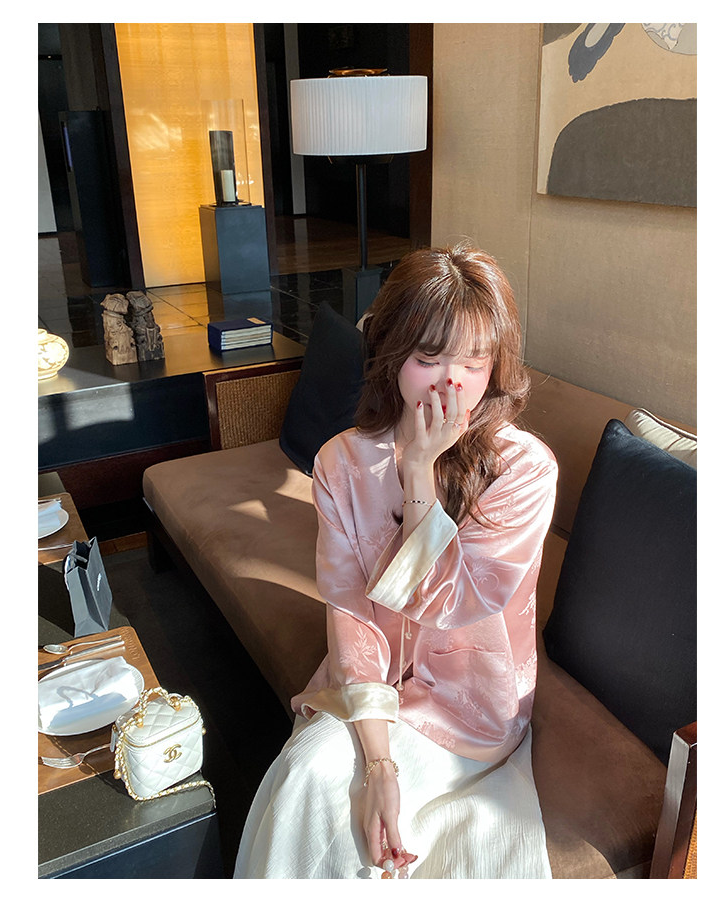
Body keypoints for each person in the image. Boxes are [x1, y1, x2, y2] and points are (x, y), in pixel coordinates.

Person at [234, 243, 558, 879]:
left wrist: (419, 473)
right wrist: (379, 762)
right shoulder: (341, 462)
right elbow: (350, 613)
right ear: (391, 353)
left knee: (335, 806)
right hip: (369, 684)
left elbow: (452, 604)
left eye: (473, 361)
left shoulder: (523, 470)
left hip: (470, 706)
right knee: (309, 775)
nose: (450, 383)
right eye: (428, 359)